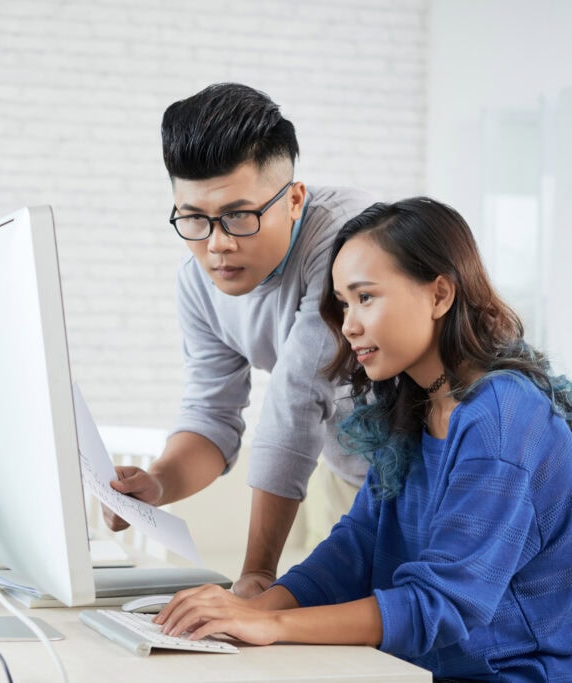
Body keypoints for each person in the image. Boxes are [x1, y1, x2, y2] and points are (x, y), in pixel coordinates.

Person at [154, 197, 572, 681]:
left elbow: (441, 603)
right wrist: (255, 609)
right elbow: (357, 546)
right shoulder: (414, 404)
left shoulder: (501, 416)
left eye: (365, 297)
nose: (348, 325)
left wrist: (272, 623)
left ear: (439, 295)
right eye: (344, 303)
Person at [103, 83, 374, 597]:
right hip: (355, 483)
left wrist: (255, 575)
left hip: (439, 475)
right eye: (193, 219)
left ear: (294, 199)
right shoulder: (198, 280)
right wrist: (158, 483)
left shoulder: (348, 239)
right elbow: (211, 413)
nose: (217, 244)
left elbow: (298, 397)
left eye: (239, 216)